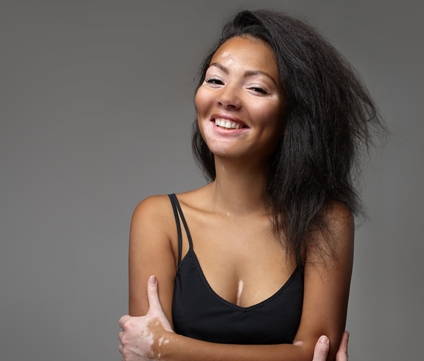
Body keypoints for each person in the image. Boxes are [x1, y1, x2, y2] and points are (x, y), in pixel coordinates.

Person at [119, 9, 385, 361]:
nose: (227, 98)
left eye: (256, 87)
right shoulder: (158, 219)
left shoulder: (326, 224)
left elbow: (315, 352)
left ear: (293, 117)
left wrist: (169, 348)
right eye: (215, 80)